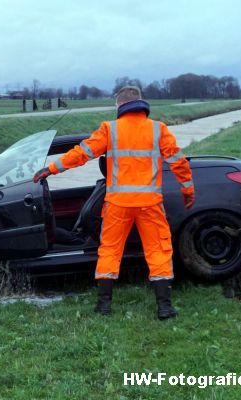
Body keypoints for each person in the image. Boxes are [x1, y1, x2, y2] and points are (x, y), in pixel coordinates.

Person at [33, 86, 195, 319]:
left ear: (119, 106)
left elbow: (81, 154)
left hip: (118, 204)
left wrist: (50, 169)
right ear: (140, 103)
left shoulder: (110, 129)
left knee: (109, 250)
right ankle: (164, 307)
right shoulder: (158, 130)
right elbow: (179, 162)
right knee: (158, 250)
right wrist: (188, 190)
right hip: (149, 203)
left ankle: (104, 305)